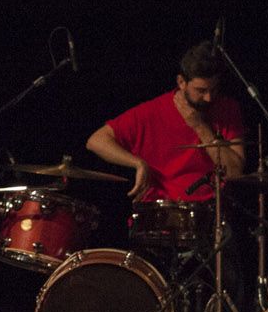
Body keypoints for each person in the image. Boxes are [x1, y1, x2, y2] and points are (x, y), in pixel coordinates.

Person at [86, 41, 246, 203]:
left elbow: (234, 173)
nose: (209, 97)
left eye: (214, 89)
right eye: (201, 91)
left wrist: (199, 126)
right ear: (181, 82)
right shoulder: (153, 111)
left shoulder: (227, 108)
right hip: (161, 214)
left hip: (214, 211)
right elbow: (96, 141)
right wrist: (138, 163)